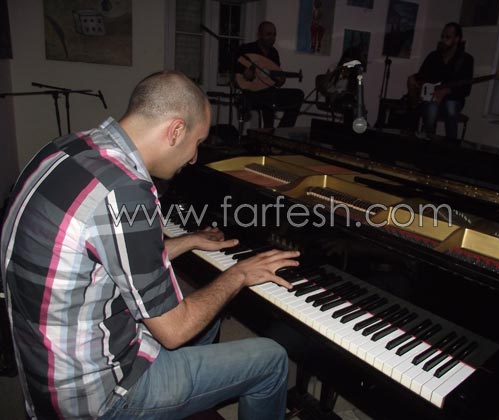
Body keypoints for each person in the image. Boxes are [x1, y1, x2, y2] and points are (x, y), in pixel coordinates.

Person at [0, 70, 300, 419]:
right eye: (197, 142)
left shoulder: (66, 148)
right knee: (271, 358)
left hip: (45, 373)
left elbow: (108, 255)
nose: (194, 158)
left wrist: (189, 240)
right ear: (176, 131)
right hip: (97, 397)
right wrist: (240, 273)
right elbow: (174, 331)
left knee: (209, 320)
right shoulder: (125, 191)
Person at [407, 22, 474, 140]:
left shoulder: (466, 60)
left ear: (457, 39)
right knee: (432, 108)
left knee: (450, 106)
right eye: (442, 36)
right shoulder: (433, 56)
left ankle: (451, 144)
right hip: (431, 98)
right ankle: (429, 139)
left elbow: (466, 89)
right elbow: (422, 76)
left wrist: (447, 91)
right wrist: (413, 80)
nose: (443, 40)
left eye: (447, 37)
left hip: (453, 99)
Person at [235, 21, 304, 128]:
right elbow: (234, 64)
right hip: (251, 93)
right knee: (257, 99)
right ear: (259, 35)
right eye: (268, 34)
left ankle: (280, 131)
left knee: (298, 95)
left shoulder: (274, 53)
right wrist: (244, 72)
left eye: (274, 34)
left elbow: (274, 79)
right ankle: (268, 130)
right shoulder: (247, 49)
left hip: (268, 94)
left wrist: (280, 81)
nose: (272, 38)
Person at [316, 46, 366, 126]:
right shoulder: (334, 67)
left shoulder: (355, 73)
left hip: (345, 98)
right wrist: (331, 94)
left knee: (352, 104)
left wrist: (344, 93)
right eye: (346, 60)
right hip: (332, 97)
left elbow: (354, 91)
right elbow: (324, 86)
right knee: (350, 105)